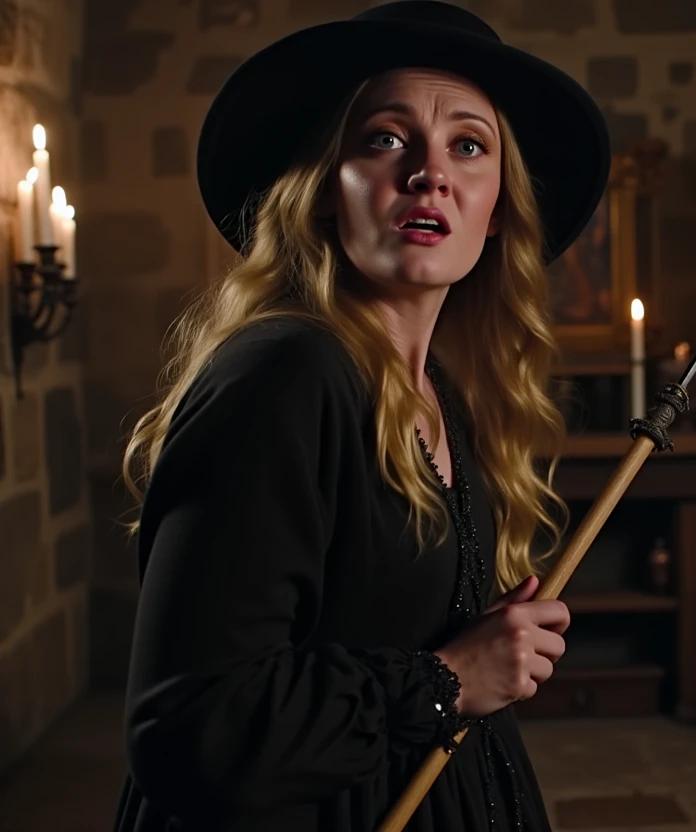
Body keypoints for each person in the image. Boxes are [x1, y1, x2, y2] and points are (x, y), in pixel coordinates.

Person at [112, 3, 610, 830]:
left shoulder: (444, 392)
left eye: (469, 145)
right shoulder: (284, 375)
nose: (429, 173)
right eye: (385, 137)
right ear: (323, 190)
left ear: (497, 210)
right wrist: (450, 679)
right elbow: (190, 731)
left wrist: (479, 651)